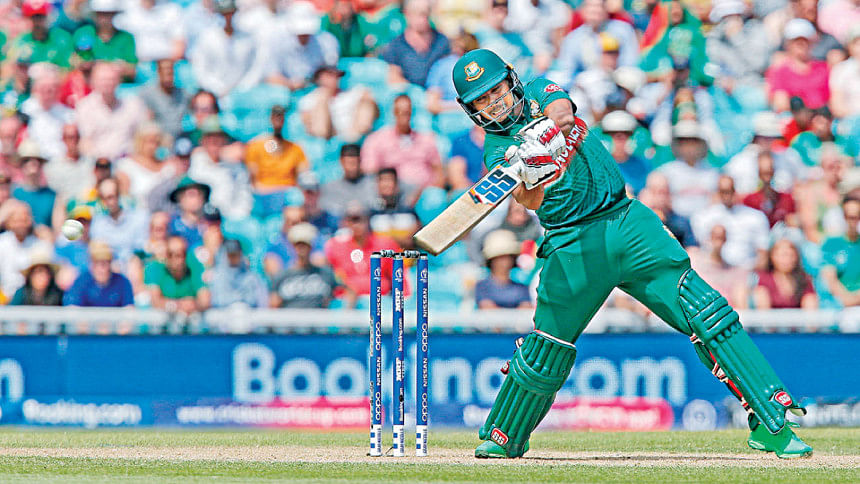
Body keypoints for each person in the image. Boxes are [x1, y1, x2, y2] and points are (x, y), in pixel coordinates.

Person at [450, 48, 811, 458]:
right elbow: (529, 201)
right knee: (547, 346)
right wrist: (531, 171)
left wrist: (546, 135)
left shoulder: (536, 91)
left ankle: (772, 420)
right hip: (572, 245)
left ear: (511, 80)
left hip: (626, 221)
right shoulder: (498, 150)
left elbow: (563, 111)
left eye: (495, 90)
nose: (493, 102)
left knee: (706, 311)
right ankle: (504, 435)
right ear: (471, 109)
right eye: (482, 99)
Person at [361, 94, 444, 188]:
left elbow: (438, 171)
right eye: (399, 111)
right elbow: (370, 172)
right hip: (393, 191)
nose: (404, 115)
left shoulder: (426, 140)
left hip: (424, 190)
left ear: (412, 112)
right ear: (393, 112)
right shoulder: (377, 140)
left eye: (407, 111)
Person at [691, 176, 771, 270]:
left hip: (747, 271)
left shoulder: (756, 217)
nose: (727, 195)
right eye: (723, 191)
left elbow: (763, 255)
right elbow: (702, 250)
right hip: (714, 270)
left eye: (730, 190)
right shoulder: (703, 217)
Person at [245, 105, 309, 218]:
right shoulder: (256, 146)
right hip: (264, 194)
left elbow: (303, 175)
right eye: (275, 117)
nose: (278, 121)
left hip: (287, 194)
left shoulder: (295, 148)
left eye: (281, 117)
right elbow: (253, 178)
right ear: (270, 119)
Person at [298, 65, 378, 142]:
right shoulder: (309, 99)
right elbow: (308, 126)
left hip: (353, 133)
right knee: (321, 104)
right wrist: (324, 99)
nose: (335, 78)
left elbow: (369, 99)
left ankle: (354, 140)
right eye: (330, 75)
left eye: (337, 75)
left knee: (366, 105)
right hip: (326, 135)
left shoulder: (350, 93)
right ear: (320, 77)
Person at [380, 0, 449, 86]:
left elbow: (447, 71)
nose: (421, 19)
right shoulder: (396, 45)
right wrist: (416, 91)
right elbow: (394, 77)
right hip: (409, 91)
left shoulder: (441, 41)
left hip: (438, 90)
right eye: (416, 13)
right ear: (406, 14)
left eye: (424, 14)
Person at [271, 223, 338, 308]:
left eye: (305, 244)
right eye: (298, 244)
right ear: (292, 246)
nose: (301, 248)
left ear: (311, 246)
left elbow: (337, 296)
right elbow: (274, 305)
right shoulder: (282, 276)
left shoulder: (325, 273)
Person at [687, 224, 750, 308]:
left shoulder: (733, 270)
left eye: (721, 238)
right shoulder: (694, 260)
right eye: (716, 237)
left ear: (725, 239)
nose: (718, 242)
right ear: (710, 237)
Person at [144, 235, 210, 314]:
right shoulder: (154, 268)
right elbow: (155, 301)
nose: (175, 259)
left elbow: (205, 300)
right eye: (170, 254)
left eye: (181, 254)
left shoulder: (194, 266)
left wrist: (194, 305)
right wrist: (177, 305)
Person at [63, 240, 134, 307]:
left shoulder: (122, 282)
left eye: (104, 263)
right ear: (91, 264)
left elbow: (128, 309)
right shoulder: (82, 282)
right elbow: (73, 307)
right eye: (96, 263)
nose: (101, 269)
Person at [820, 192, 860, 307]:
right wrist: (847, 299)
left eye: (857, 216)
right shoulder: (831, 244)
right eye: (849, 216)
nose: (853, 221)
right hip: (838, 305)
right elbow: (829, 278)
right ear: (843, 216)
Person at [753, 238, 817, 310]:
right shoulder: (765, 279)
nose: (787, 259)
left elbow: (810, 304)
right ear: (772, 256)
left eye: (791, 255)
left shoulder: (804, 279)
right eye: (783, 255)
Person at [475, 229, 531, 309]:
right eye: (500, 257)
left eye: (508, 257)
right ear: (491, 260)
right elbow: (487, 309)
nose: (504, 262)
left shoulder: (521, 288)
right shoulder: (482, 287)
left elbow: (526, 308)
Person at [138, 58, 192, 137]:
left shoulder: (184, 94)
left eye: (170, 71)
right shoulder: (147, 95)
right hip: (158, 138)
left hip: (180, 137)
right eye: (164, 71)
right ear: (158, 72)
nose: (168, 74)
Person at [319, 143, 377, 217]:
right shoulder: (331, 187)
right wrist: (346, 210)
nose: (351, 168)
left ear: (360, 161)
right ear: (341, 161)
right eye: (348, 163)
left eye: (354, 163)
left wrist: (363, 209)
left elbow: (378, 204)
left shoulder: (373, 184)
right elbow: (326, 207)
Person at [208, 239, 267, 308]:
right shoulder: (217, 277)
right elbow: (217, 302)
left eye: (236, 255)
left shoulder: (251, 278)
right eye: (230, 255)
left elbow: (260, 302)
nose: (233, 258)